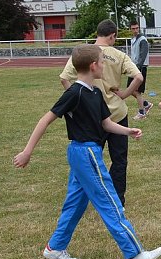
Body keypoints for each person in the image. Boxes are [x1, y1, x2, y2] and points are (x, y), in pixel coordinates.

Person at [14, 44, 161, 259]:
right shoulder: (74, 92)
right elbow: (45, 120)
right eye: (102, 63)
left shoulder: (96, 93)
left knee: (75, 202)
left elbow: (105, 123)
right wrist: (27, 152)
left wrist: (128, 131)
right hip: (84, 153)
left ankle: (55, 248)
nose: (104, 66)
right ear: (94, 66)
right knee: (109, 201)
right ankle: (135, 254)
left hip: (86, 153)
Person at [60, 19, 143, 206]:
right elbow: (138, 77)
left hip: (92, 117)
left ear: (97, 34)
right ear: (112, 36)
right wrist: (123, 95)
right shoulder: (119, 55)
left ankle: (88, 198)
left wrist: (78, 100)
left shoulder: (85, 53)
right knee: (119, 160)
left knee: (89, 160)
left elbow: (64, 78)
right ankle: (117, 200)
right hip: (117, 115)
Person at [128, 22, 153, 120]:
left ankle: (142, 113)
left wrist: (138, 68)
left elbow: (142, 56)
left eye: (137, 28)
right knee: (130, 89)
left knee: (136, 91)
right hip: (134, 68)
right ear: (130, 29)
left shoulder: (142, 40)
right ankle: (146, 104)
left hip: (140, 68)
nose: (135, 30)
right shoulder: (133, 39)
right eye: (133, 28)